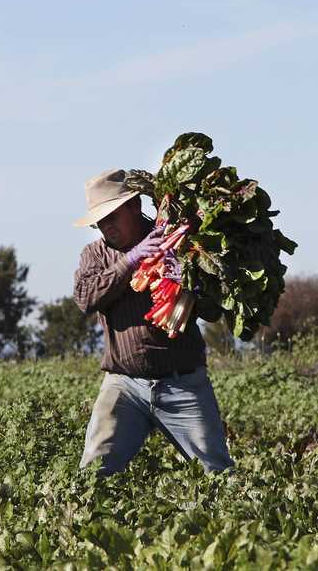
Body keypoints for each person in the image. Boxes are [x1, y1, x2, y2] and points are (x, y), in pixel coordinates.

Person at [72, 168, 234, 475]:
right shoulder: (95, 254)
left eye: (111, 217)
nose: (106, 227)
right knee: (94, 474)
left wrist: (193, 283)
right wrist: (131, 259)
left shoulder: (181, 245)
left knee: (216, 472)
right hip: (123, 384)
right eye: (99, 221)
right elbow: (85, 297)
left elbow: (213, 312)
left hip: (184, 384)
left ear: (134, 207)